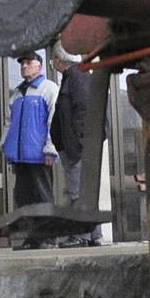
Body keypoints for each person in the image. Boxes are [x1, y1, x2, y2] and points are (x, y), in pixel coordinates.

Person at [4, 50, 58, 245]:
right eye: (22, 63)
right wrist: (7, 148)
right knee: (24, 198)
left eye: (29, 62)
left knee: (42, 196)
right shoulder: (16, 94)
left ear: (40, 66)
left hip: (39, 155)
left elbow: (54, 121)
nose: (24, 66)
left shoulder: (49, 88)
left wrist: (51, 149)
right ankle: (31, 238)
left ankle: (47, 238)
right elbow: (8, 124)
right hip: (20, 157)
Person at [50, 45, 98, 247]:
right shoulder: (78, 76)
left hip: (76, 147)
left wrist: (79, 143)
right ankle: (93, 235)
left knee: (78, 191)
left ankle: (81, 235)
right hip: (75, 145)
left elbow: (84, 111)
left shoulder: (76, 77)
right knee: (82, 190)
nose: (52, 63)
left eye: (53, 59)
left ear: (60, 61)